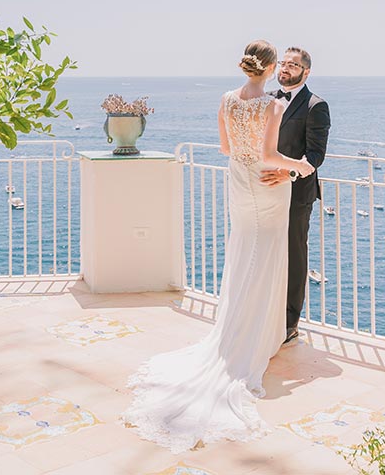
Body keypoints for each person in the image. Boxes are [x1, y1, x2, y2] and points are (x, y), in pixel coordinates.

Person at [122, 40, 316, 452]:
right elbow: (269, 154)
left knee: (244, 252)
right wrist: (298, 166)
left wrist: (254, 159)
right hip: (267, 186)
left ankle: (234, 332)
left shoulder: (227, 99)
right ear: (269, 69)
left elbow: (228, 149)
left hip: (239, 183)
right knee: (264, 258)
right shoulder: (273, 106)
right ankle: (257, 338)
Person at [259, 47, 330, 345]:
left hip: (296, 192)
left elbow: (315, 155)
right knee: (265, 250)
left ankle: (290, 321)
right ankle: (264, 313)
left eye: (293, 65)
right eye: (284, 63)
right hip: (263, 189)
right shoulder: (266, 99)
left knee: (294, 254)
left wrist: (286, 174)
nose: (286, 69)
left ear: (306, 71)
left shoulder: (316, 105)